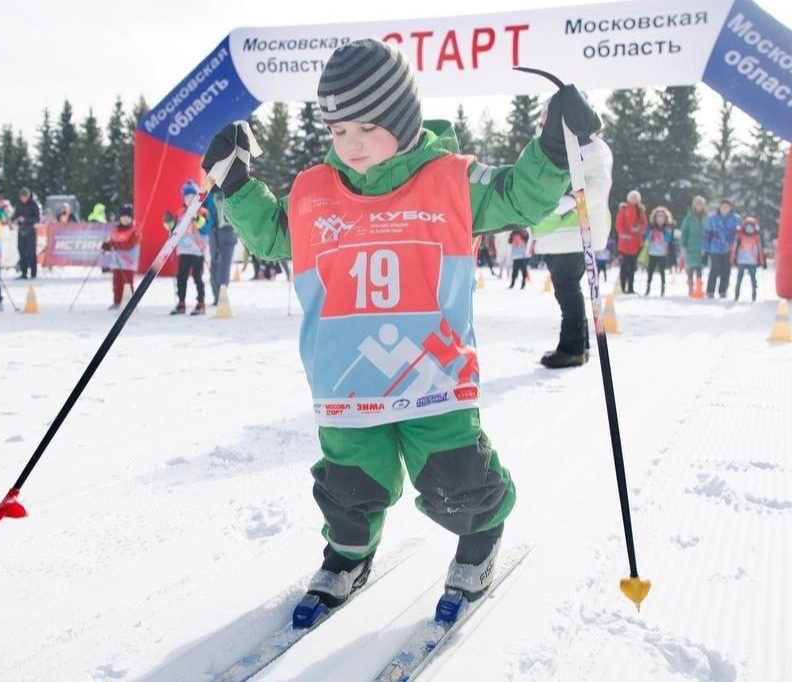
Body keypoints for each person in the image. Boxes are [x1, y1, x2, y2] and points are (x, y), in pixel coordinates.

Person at [200, 38, 599, 614]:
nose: (352, 143)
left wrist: (555, 148)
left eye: (366, 126)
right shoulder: (315, 193)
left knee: (454, 480)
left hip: (432, 375)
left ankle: (480, 536)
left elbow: (522, 195)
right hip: (345, 380)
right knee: (348, 485)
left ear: (403, 119)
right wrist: (233, 183)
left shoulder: (451, 181)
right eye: (338, 131)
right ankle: (348, 552)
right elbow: (271, 235)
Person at [531, 127, 613, 368]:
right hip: (554, 233)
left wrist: (570, 201)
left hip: (573, 232)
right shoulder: (545, 145)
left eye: (549, 116)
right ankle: (579, 345)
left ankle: (572, 347)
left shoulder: (590, 147)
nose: (544, 121)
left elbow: (598, 185)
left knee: (567, 290)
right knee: (566, 289)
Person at [164, 180, 210, 315]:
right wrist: (169, 223)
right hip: (183, 249)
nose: (189, 200)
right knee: (181, 276)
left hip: (197, 249)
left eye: (192, 197)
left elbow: (206, 229)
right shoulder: (180, 212)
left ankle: (201, 303)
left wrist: (198, 220)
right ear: (183, 198)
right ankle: (181, 302)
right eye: (187, 197)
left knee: (197, 276)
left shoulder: (202, 212)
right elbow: (174, 229)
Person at [101, 203, 140, 310]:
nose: (125, 219)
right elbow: (111, 242)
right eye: (123, 217)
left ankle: (130, 303)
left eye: (128, 217)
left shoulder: (134, 231)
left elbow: (129, 245)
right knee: (116, 283)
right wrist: (106, 245)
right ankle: (117, 301)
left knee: (127, 283)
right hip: (117, 262)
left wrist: (114, 245)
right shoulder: (116, 229)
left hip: (128, 263)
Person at [206, 187, 238, 306]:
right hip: (224, 232)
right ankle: (220, 295)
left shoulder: (209, 193)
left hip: (219, 232)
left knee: (218, 263)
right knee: (221, 264)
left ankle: (219, 295)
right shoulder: (230, 187)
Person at [703, 199, 740, 299]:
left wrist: (737, 248)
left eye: (727, 206)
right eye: (723, 206)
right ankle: (710, 290)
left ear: (730, 208)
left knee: (726, 270)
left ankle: (723, 290)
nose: (724, 208)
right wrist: (705, 247)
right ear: (720, 207)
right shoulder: (713, 218)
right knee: (714, 269)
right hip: (715, 248)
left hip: (729, 249)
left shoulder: (736, 219)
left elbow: (739, 234)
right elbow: (707, 234)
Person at [615, 190, 647, 294]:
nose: (634, 199)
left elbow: (644, 224)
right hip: (625, 242)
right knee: (625, 266)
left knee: (632, 267)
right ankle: (623, 287)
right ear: (629, 198)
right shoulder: (624, 209)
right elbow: (619, 224)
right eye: (632, 197)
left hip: (636, 243)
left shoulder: (640, 210)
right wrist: (624, 234)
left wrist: (638, 228)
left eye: (636, 197)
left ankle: (631, 288)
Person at [731, 216, 765, 302]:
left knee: (753, 280)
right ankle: (736, 295)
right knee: (739, 279)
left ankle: (754, 296)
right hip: (741, 261)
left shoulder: (757, 237)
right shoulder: (739, 236)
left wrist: (761, 261)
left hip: (752, 262)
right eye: (747, 226)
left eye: (751, 226)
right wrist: (733, 259)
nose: (749, 229)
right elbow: (734, 248)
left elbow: (760, 249)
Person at [679, 195, 708, 296]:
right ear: (693, 205)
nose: (698, 206)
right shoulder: (688, 218)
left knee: (700, 268)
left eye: (700, 204)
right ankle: (691, 288)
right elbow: (684, 233)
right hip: (690, 246)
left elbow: (709, 232)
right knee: (690, 268)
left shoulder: (706, 217)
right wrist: (683, 246)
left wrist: (706, 247)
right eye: (697, 203)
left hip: (702, 247)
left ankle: (699, 289)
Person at [643, 207, 674, 297]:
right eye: (658, 216)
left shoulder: (667, 229)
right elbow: (646, 237)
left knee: (662, 271)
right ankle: (648, 288)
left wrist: (662, 237)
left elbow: (668, 240)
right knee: (650, 270)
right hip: (652, 252)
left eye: (662, 217)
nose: (660, 219)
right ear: (655, 218)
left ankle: (663, 289)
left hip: (662, 253)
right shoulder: (651, 228)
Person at [14, 188, 41, 279]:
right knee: (21, 251)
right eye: (22, 196)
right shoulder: (18, 205)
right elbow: (15, 215)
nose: (23, 198)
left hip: (31, 231)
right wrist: (15, 219)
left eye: (25, 196)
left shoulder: (33, 205)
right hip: (21, 230)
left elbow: (37, 219)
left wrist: (26, 219)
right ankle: (24, 272)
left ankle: (33, 273)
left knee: (31, 253)